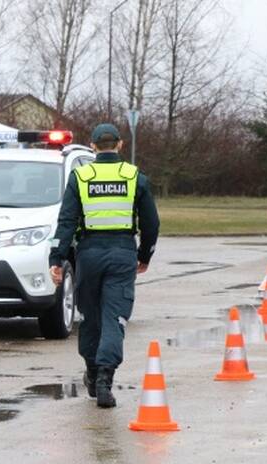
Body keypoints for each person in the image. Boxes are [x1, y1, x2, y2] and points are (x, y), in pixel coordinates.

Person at [49, 123, 159, 409]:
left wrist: (57, 259)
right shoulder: (135, 176)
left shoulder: (81, 176)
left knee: (90, 317)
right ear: (120, 145)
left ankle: (93, 371)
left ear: (93, 146)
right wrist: (144, 255)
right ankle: (105, 381)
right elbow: (151, 223)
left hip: (88, 254)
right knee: (114, 317)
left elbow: (66, 222)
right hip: (122, 253)